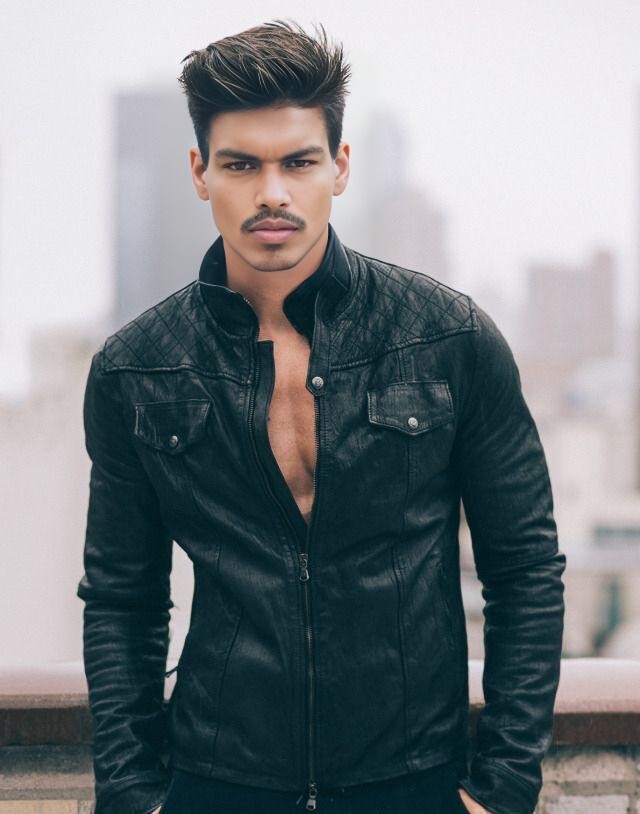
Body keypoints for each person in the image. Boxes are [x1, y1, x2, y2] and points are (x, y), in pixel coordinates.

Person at [77, 20, 566, 814]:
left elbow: (525, 572)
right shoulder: (136, 368)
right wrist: (134, 797)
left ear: (339, 166)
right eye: (241, 164)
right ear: (200, 172)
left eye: (298, 162)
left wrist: (502, 791)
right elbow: (122, 600)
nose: (272, 192)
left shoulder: (448, 338)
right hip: (218, 783)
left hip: (414, 781)